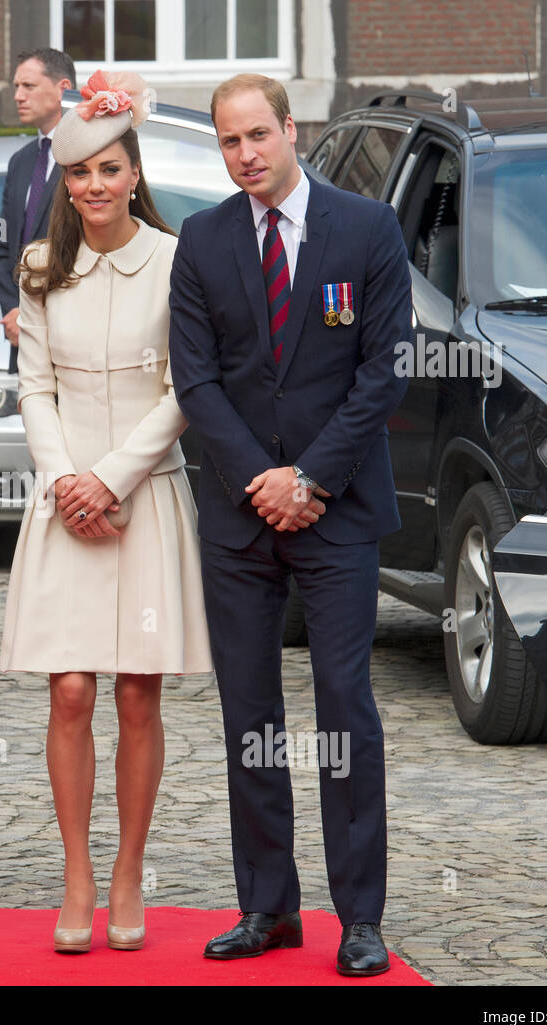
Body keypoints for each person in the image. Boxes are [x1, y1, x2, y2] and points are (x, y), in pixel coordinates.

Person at [168, 73, 411, 976]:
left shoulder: (367, 229)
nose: (246, 156)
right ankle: (267, 905)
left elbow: (383, 371)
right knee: (249, 714)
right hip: (239, 520)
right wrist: (261, 482)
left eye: (258, 136)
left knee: (345, 707)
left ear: (290, 129)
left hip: (338, 513)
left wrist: (309, 476)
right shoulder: (202, 239)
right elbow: (196, 381)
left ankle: (358, 917)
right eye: (230, 143)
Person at [0, 70, 211, 954]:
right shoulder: (41, 268)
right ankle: (77, 873)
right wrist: (66, 482)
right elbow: (33, 387)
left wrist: (114, 479)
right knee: (72, 687)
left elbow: (187, 388)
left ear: (134, 175)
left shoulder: (178, 259)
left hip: (146, 494)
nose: (94, 187)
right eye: (80, 174)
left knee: (136, 692)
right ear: (65, 182)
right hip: (64, 498)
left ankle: (129, 872)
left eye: (110, 171)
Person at [0, 48, 75, 373]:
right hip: (22, 342)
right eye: (16, 87)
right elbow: (3, 247)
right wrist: (14, 311)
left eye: (28, 86)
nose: (18, 96)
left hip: (69, 339)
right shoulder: (22, 161)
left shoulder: (85, 157)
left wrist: (35, 317)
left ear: (62, 88)